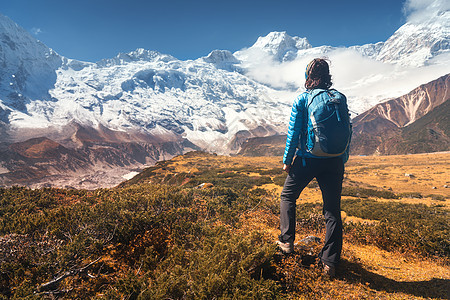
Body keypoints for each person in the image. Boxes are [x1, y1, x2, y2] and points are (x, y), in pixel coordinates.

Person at [277, 58, 351, 278]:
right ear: (328, 76)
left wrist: (287, 160)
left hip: (308, 159)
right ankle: (330, 263)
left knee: (288, 196)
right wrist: (342, 158)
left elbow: (293, 133)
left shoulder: (303, 99)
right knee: (332, 210)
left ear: (308, 76)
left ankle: (286, 242)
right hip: (335, 161)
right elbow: (348, 129)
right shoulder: (340, 98)